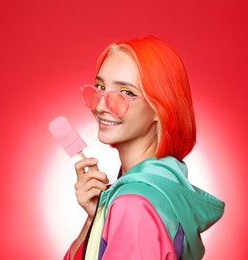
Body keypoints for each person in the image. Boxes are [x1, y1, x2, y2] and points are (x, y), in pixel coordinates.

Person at [64, 36, 225, 260]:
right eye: (100, 87)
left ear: (162, 107)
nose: (101, 105)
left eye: (126, 93)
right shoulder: (165, 184)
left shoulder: (132, 205)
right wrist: (95, 220)